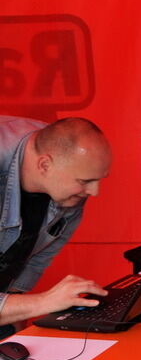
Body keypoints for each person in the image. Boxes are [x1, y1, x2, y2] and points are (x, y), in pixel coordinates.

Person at [0, 116, 111, 333]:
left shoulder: (65, 163)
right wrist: (44, 302)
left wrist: (17, 320)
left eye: (98, 180)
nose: (94, 192)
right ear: (44, 165)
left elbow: (29, 265)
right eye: (85, 182)